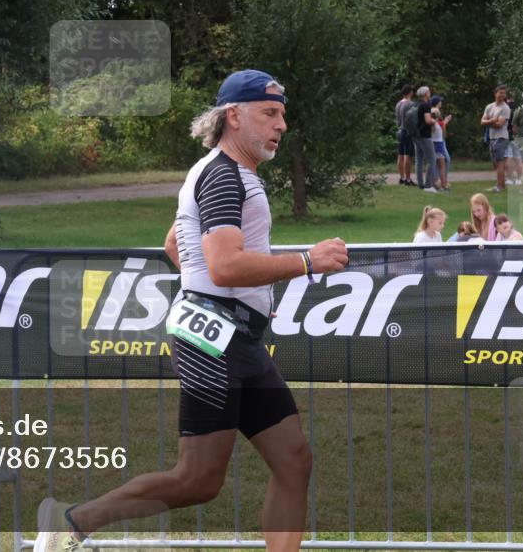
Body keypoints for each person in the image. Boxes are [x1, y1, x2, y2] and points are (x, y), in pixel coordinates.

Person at [34, 69, 349, 552]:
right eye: (269, 114)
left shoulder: (223, 172)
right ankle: (71, 522)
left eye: (282, 115)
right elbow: (224, 266)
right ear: (233, 116)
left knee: (293, 459)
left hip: (230, 336)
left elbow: (174, 243)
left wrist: (201, 293)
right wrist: (307, 262)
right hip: (213, 341)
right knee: (197, 480)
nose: (281, 125)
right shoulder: (224, 175)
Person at [480, 84, 511, 193]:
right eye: (500, 92)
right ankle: (500, 185)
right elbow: (482, 121)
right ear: (495, 93)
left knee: (500, 163)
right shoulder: (489, 106)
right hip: (492, 138)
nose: (503, 95)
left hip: (501, 138)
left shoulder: (505, 108)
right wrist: (492, 120)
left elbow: (500, 125)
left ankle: (500, 187)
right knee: (495, 163)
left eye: (504, 93)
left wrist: (488, 122)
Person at [410, 86, 438, 193]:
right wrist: (434, 121)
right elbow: (427, 121)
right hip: (424, 135)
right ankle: (428, 186)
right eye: (429, 91)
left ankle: (420, 184)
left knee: (419, 160)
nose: (430, 93)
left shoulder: (415, 104)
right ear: (426, 94)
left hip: (415, 134)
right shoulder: (426, 105)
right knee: (431, 159)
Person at [395, 84, 416, 186]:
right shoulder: (411, 104)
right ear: (410, 92)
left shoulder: (398, 104)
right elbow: (412, 120)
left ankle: (401, 177)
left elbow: (398, 119)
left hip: (399, 130)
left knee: (400, 155)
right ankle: (408, 179)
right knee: (407, 155)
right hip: (407, 131)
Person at [430, 97, 452, 191]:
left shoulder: (431, 125)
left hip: (432, 145)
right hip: (439, 145)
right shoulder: (439, 125)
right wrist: (445, 123)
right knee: (442, 166)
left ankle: (434, 184)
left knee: (433, 165)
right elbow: (444, 135)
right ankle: (443, 185)